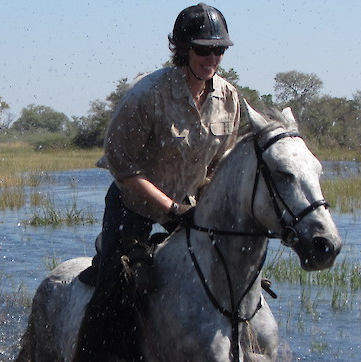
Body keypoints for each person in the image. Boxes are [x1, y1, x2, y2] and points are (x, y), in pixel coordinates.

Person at [73, 3, 241, 360]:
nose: (211, 58)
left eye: (219, 50)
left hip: (193, 212)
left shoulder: (228, 98)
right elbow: (124, 169)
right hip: (133, 209)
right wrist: (171, 209)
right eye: (203, 49)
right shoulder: (146, 95)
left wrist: (202, 207)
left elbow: (219, 166)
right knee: (113, 299)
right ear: (182, 48)